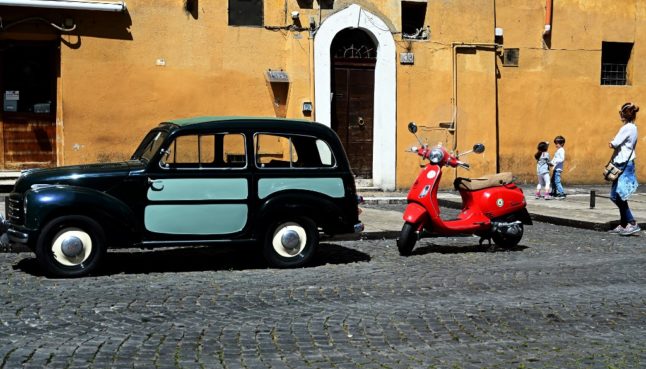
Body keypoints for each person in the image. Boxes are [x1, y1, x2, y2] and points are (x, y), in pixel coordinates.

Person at [608, 102, 640, 236]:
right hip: (625, 163)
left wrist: (611, 142)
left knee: (617, 196)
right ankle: (623, 224)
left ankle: (632, 223)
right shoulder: (633, 127)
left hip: (623, 165)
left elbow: (614, 143)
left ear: (624, 114)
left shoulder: (627, 128)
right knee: (617, 195)